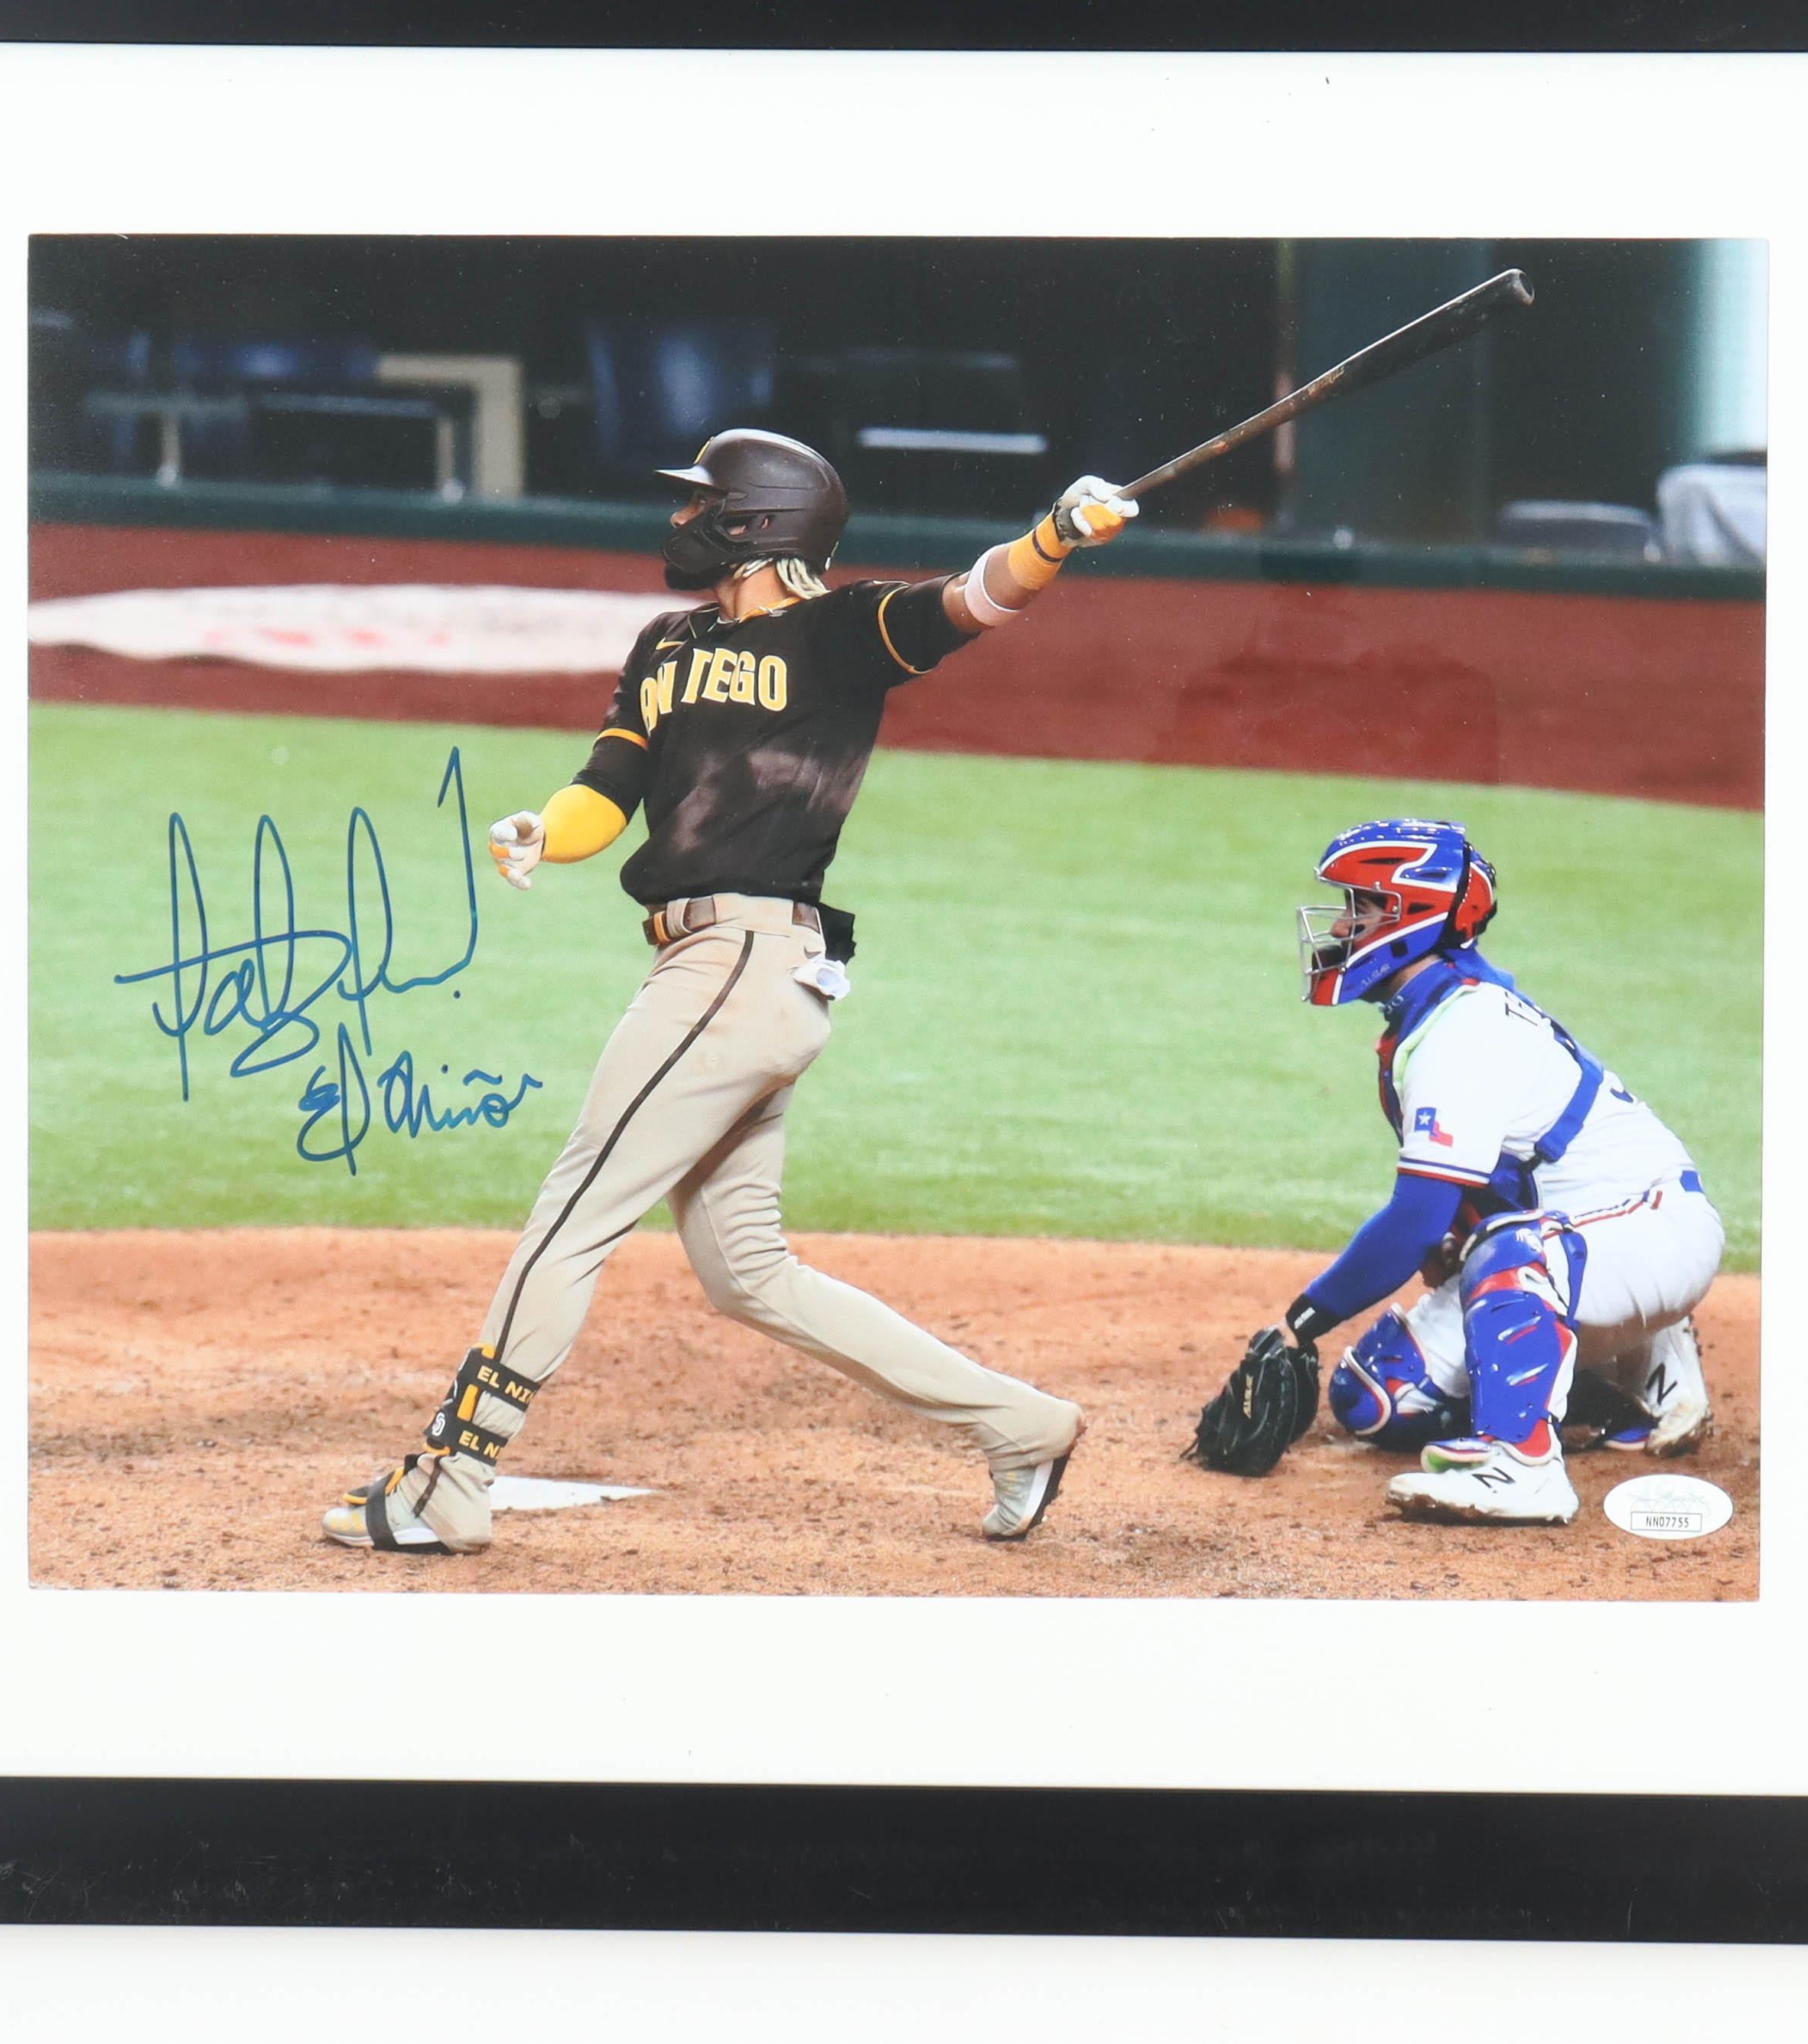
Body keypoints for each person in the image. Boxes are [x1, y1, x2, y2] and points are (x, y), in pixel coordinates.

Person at [324, 429, 1135, 1555]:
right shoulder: (666, 644)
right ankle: (1022, 1425)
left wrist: (1054, 536)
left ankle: (453, 1476)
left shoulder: (842, 632)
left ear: (756, 522)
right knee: (749, 1273)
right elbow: (608, 783)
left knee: (575, 1208)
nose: (680, 521)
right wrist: (544, 830)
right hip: (726, 976)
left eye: (699, 504)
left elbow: (973, 599)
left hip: (739, 967)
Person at [1266, 817, 1722, 1524]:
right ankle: (1630, 1379)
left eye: (1362, 907)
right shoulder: (1436, 1013)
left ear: (1415, 918)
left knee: (1511, 1251)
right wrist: (1454, 1241)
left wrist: (1302, 1322)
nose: (1342, 926)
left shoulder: (1464, 1029)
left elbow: (1412, 1219)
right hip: (1583, 1238)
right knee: (1377, 1399)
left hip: (1652, 1233)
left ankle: (1522, 1466)